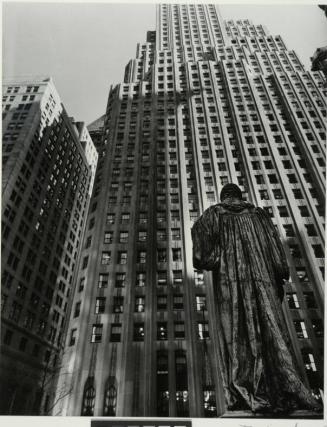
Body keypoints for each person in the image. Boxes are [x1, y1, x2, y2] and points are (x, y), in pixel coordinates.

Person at [191, 183, 320, 414]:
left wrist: (220, 255)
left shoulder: (213, 214)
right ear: (240, 196)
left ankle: (248, 393)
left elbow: (201, 256)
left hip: (230, 286)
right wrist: (278, 277)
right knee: (273, 333)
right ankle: (284, 389)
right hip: (264, 283)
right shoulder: (259, 215)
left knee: (236, 334)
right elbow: (277, 256)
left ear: (223, 197)